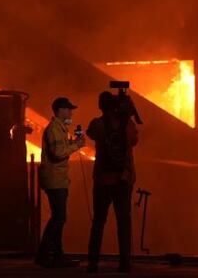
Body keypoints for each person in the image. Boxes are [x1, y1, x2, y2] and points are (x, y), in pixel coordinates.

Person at [85, 91, 139, 273]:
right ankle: (124, 263)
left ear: (101, 106)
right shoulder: (128, 125)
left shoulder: (98, 124)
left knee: (98, 222)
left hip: (102, 181)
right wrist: (126, 114)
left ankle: (93, 263)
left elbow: (89, 133)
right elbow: (135, 140)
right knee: (123, 223)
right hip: (123, 180)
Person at [35, 96, 85, 268]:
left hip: (58, 180)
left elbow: (59, 149)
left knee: (58, 218)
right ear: (60, 110)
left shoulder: (60, 129)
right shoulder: (55, 129)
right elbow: (58, 153)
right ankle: (44, 254)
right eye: (69, 109)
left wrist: (72, 143)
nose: (71, 112)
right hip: (55, 180)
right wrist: (76, 146)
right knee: (58, 218)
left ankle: (56, 256)